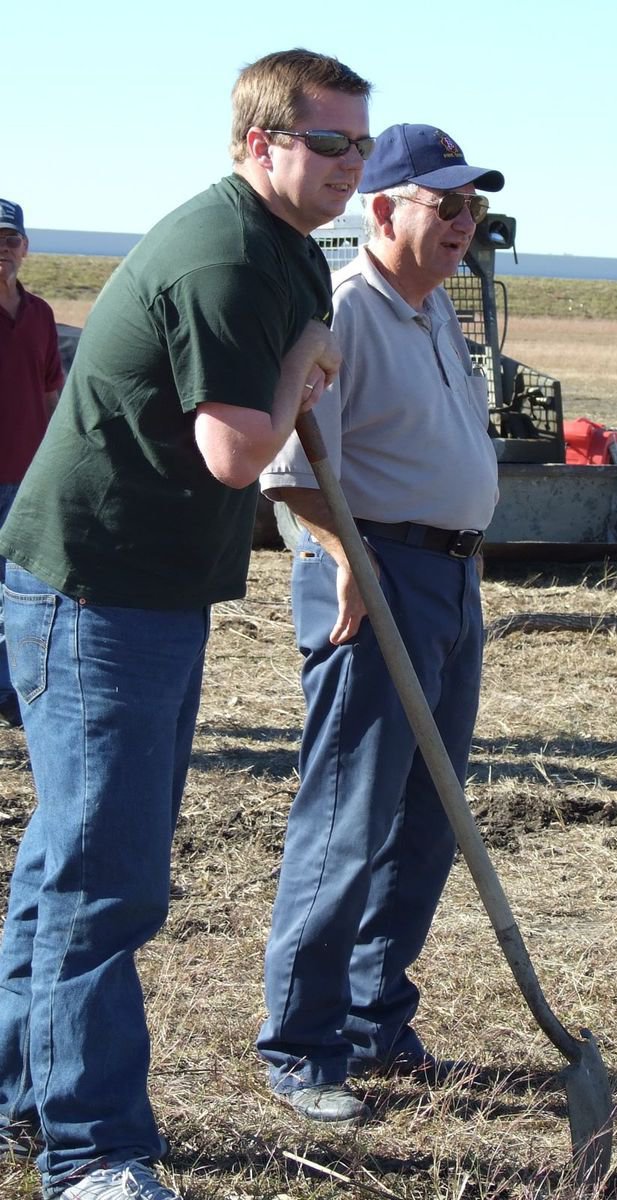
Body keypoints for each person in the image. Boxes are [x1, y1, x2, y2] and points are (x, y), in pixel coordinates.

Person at [0, 49, 372, 1200]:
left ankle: (25, 1096)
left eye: (359, 145)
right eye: (328, 144)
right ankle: (91, 1151)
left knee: (70, 864)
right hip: (96, 589)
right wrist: (303, 366)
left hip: (148, 588)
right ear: (260, 142)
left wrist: (296, 377)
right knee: (103, 883)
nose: (348, 168)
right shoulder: (225, 256)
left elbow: (270, 402)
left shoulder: (287, 249)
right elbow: (230, 453)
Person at [257, 123, 504, 1125]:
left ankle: (373, 1018)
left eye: (473, 207)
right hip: (374, 573)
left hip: (449, 576)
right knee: (349, 816)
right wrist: (348, 564)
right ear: (385, 208)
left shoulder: (433, 308)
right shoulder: (344, 311)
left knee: (426, 816)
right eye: (446, 205)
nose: (464, 223)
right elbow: (288, 470)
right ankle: (302, 1046)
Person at [0, 199, 63, 729]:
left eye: (9, 239)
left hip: (25, 475)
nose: (2, 250)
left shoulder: (40, 313)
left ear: (24, 246)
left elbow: (49, 392)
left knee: (17, 587)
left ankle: (9, 690)